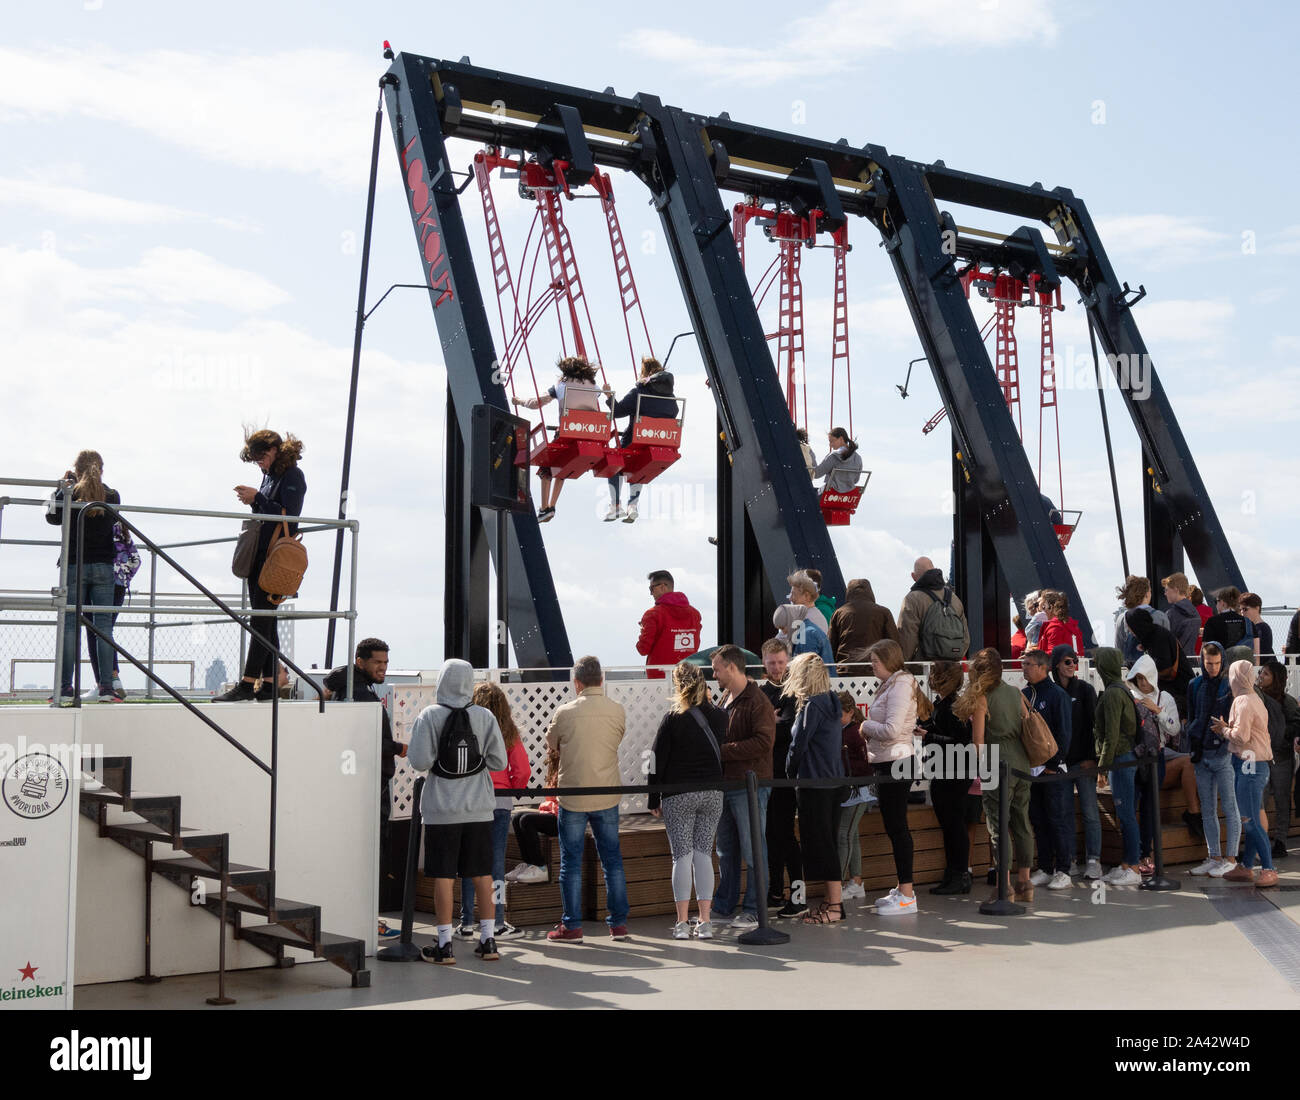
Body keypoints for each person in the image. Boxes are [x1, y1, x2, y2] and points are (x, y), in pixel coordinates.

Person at [407, 658, 508, 965]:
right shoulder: (485, 716)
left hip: (441, 809)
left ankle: (444, 945)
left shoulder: (429, 715)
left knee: (443, 876)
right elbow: (499, 762)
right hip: (479, 808)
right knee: (483, 874)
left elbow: (419, 761)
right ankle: (489, 940)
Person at [214, 429, 306, 702]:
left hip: (275, 558)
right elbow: (269, 512)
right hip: (260, 556)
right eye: (256, 460)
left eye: (262, 457)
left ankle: (247, 682)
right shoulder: (270, 475)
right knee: (266, 620)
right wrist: (255, 500)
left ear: (276, 450)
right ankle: (268, 683)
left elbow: (289, 515)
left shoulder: (292, 475)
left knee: (261, 620)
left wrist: (257, 498)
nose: (260, 464)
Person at [323, 638, 406, 940]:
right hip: (369, 783)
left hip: (351, 781)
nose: (383, 668)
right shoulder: (362, 695)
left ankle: (355, 918)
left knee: (356, 853)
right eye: (377, 663)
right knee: (372, 854)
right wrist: (400, 747)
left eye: (385, 662)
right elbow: (367, 741)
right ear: (361, 662)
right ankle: (369, 922)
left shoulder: (346, 688)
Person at [546, 655, 630, 941]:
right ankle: (618, 924)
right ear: (601, 680)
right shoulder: (617, 710)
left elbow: (551, 743)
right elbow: (617, 739)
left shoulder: (565, 712)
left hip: (572, 796)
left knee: (570, 862)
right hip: (606, 793)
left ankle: (572, 926)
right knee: (612, 861)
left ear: (577, 682)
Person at [648, 661, 726, 940]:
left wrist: (653, 796)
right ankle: (705, 921)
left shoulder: (673, 717)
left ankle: (682, 923)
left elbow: (656, 759)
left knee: (682, 856)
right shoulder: (719, 716)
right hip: (713, 791)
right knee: (704, 854)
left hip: (679, 793)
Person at [453, 682, 530, 942]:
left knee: (467, 862)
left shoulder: (468, 727)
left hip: (471, 800)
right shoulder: (508, 731)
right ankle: (497, 921)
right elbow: (522, 770)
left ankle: (465, 923)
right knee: (495, 862)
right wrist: (515, 790)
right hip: (499, 801)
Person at [955, 648, 1034, 900]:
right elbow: (1026, 725)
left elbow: (978, 740)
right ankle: (1026, 883)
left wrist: (979, 768)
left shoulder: (982, 698)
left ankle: (1005, 886)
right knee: (1022, 822)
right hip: (1021, 762)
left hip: (996, 763)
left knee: (998, 826)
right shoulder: (1015, 692)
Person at [46, 451, 123, 703]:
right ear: (101, 469)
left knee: (69, 626)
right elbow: (114, 520)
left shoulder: (69, 493)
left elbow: (51, 517)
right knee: (103, 626)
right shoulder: (111, 495)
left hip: (73, 564)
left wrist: (61, 487)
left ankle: (65, 687)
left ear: (75, 469)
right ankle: (106, 687)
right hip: (103, 566)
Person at [710, 644, 776, 929]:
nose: (714, 675)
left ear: (732, 667)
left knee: (752, 850)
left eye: (716, 669)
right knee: (726, 849)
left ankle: (754, 909)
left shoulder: (757, 701)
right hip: (729, 785)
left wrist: (722, 750)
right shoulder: (727, 697)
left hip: (750, 786)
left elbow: (764, 742)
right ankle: (725, 904)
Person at [782, 653, 848, 924]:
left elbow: (798, 745)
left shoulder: (812, 706)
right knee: (829, 841)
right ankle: (831, 902)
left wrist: (789, 771)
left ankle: (835, 907)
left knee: (823, 844)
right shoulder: (831, 701)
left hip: (814, 782)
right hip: (833, 781)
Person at [861, 639, 924, 914]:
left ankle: (907, 894)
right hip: (889, 761)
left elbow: (891, 728)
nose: (872, 665)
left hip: (896, 761)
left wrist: (864, 726)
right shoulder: (895, 683)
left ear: (888, 660)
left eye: (875, 661)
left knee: (898, 829)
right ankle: (902, 888)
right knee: (895, 827)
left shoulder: (900, 685)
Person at [511, 355, 601, 521]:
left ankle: (545, 507)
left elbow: (535, 403)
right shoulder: (595, 386)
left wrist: (519, 402)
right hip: (591, 434)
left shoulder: (561, 385)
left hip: (568, 433)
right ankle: (551, 506)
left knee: (546, 468)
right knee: (562, 467)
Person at [1213, 660, 1279, 887]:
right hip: (1257, 764)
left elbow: (1241, 737)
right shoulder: (1256, 699)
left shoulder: (1242, 701)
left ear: (1235, 678)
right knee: (1250, 816)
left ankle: (1269, 868)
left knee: (1250, 820)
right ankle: (1246, 866)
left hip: (1249, 765)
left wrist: (1224, 729)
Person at [921, 659, 977, 894]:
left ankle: (960, 874)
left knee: (955, 826)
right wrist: (927, 730)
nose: (930, 677)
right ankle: (954, 873)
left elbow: (961, 742)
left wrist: (928, 736)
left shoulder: (954, 706)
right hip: (946, 772)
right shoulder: (943, 704)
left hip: (954, 773)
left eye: (935, 674)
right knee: (951, 826)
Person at [759, 639, 806, 917]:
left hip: (786, 776)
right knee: (770, 836)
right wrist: (771, 723)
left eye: (780, 662)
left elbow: (789, 731)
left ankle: (798, 896)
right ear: (764, 663)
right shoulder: (762, 692)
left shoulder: (793, 692)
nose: (777, 668)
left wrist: (768, 725)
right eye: (772, 662)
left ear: (787, 660)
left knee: (787, 836)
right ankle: (776, 891)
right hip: (766, 775)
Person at [602, 356, 677, 523]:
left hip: (634, 441)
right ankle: (633, 505)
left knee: (614, 461)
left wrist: (609, 396)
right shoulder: (671, 398)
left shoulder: (639, 393)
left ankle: (615, 506)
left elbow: (618, 412)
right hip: (659, 444)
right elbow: (673, 414)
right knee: (639, 466)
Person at [1022, 650, 1074, 891]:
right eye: (1023, 664)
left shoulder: (1057, 695)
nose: (1024, 669)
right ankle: (1044, 867)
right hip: (1030, 770)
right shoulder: (1024, 695)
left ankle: (1064, 869)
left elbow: (1064, 732)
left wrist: (1054, 764)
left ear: (1043, 667)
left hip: (1053, 771)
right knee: (1038, 819)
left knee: (1057, 819)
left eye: (1029, 665)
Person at [1186, 642, 1238, 877]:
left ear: (1223, 662)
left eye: (1217, 663)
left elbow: (1237, 719)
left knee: (1229, 806)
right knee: (1207, 808)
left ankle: (1231, 858)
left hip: (1223, 752)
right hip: (1201, 753)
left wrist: (1227, 730)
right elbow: (1191, 715)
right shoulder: (1194, 685)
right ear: (1201, 661)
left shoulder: (1229, 686)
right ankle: (1214, 855)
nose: (1213, 667)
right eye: (1209, 663)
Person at [1050, 645, 1103, 879]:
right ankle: (1068, 859)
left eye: (1074, 661)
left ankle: (1094, 859)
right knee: (1064, 813)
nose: (1072, 666)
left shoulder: (1085, 690)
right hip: (1061, 764)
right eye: (1067, 662)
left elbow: (1095, 727)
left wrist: (1093, 759)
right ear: (1057, 665)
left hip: (1083, 762)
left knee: (1091, 811)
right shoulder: (1051, 691)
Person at [1093, 647, 1142, 884]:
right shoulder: (1123, 689)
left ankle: (1132, 865)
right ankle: (1127, 862)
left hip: (1120, 759)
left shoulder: (1113, 693)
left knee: (1126, 814)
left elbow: (1111, 736)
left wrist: (1102, 768)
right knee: (1126, 813)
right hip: (1125, 758)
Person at [1128, 653, 1181, 874]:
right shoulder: (1129, 695)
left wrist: (1157, 711)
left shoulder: (1164, 698)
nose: (1142, 683)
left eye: (1145, 678)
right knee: (1131, 805)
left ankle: (1146, 854)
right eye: (1138, 678)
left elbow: (1174, 728)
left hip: (1155, 756)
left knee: (1150, 807)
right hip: (1133, 757)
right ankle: (1132, 856)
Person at [86, 519, 139, 698]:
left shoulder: (96, 525)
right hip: (119, 585)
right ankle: (112, 679)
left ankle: (104, 682)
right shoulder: (121, 528)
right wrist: (123, 577)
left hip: (97, 582)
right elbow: (135, 560)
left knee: (94, 630)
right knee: (105, 630)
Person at [1259, 658, 1298, 860]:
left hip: (1282, 758)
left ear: (1276, 678)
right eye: (1261, 673)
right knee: (1261, 801)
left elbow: (1296, 725)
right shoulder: (1257, 699)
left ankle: (1281, 841)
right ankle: (1261, 841)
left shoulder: (1287, 702)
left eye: (1266, 674)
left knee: (1283, 800)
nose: (1261, 677)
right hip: (1262, 758)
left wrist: (1280, 734)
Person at [898, 557, 970, 662]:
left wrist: (905, 664)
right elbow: (966, 638)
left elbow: (907, 638)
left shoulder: (912, 599)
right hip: (952, 668)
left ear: (913, 576)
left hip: (924, 668)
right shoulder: (954, 599)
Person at [836, 691, 872, 901]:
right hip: (856, 788)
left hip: (858, 789)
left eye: (839, 713)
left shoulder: (853, 733)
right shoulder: (850, 729)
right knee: (851, 834)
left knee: (844, 834)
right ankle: (856, 881)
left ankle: (839, 883)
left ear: (850, 712)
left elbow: (863, 762)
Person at [1125, 607, 1192, 717]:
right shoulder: (1153, 635)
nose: (1130, 631)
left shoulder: (1158, 637)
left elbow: (1164, 668)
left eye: (1130, 627)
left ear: (1137, 626)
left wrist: (1141, 671)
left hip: (1177, 692)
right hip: (1174, 691)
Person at [507, 748, 560, 884]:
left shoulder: (566, 769)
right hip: (552, 813)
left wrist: (547, 807)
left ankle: (540, 866)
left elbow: (560, 801)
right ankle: (528, 862)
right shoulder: (554, 769)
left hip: (565, 818)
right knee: (517, 817)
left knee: (526, 820)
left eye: (551, 749)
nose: (548, 751)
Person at [637, 570, 702, 678]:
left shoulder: (653, 614)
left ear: (662, 587)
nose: (651, 593)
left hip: (659, 680)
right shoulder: (694, 614)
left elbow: (643, 649)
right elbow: (695, 645)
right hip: (688, 677)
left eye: (651, 588)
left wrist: (642, 631)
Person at [828, 578, 899, 668]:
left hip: (846, 671)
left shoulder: (838, 613)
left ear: (849, 592)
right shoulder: (884, 612)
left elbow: (830, 646)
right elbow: (894, 644)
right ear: (870, 592)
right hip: (876, 670)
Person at [1112, 575, 1171, 666]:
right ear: (1147, 594)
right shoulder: (1160, 617)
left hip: (1130, 671)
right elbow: (1166, 649)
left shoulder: (1122, 618)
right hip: (1153, 671)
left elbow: (1118, 650)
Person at [775, 571, 830, 636]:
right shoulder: (817, 617)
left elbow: (780, 644)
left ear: (807, 596)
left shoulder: (804, 620)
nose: (790, 598)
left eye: (794, 594)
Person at [812, 426, 863, 493]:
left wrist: (811, 457)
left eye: (832, 441)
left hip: (830, 494)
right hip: (848, 497)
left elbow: (816, 474)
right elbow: (856, 480)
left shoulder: (834, 456)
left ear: (841, 439)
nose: (830, 445)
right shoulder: (858, 458)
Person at [1202, 587, 1253, 653]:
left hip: (1221, 662)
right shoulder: (1248, 622)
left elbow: (1205, 649)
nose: (1216, 605)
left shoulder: (1212, 622)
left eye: (1216, 601)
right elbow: (1256, 652)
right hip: (1243, 662)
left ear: (1223, 603)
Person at [1162, 572, 1201, 656]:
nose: (1165, 593)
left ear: (1176, 589)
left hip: (1175, 662)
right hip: (1191, 660)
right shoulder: (1195, 613)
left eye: (1166, 590)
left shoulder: (1171, 614)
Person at [1038, 591, 1086, 655]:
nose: (1041, 611)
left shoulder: (1054, 628)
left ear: (1051, 607)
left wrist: (1033, 657)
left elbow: (1053, 654)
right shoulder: (1071, 625)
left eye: (1043, 607)